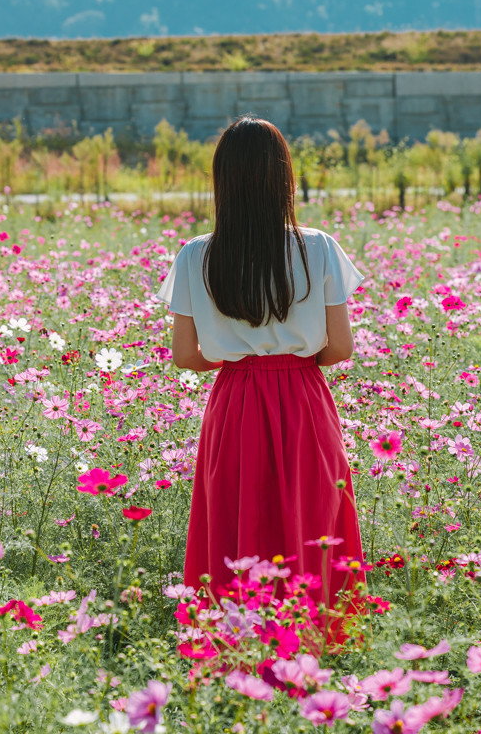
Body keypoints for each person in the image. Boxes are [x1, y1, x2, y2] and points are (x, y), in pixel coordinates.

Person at [154, 117, 367, 650]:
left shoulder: (194, 254)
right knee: (312, 515)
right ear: (284, 178)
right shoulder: (316, 247)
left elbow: (185, 355)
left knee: (233, 518)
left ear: (222, 181)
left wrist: (240, 360)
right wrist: (290, 355)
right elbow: (340, 348)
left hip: (234, 401)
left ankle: (236, 650)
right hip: (302, 396)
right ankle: (314, 644)